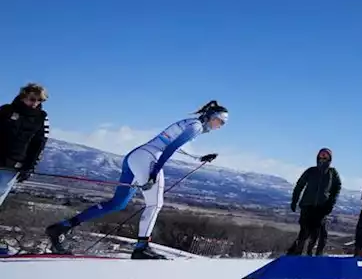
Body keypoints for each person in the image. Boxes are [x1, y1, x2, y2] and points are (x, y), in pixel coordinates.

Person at [46, 101, 226, 259]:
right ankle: (141, 248)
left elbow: (172, 144)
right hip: (148, 158)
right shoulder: (196, 127)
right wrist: (155, 170)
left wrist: (198, 158)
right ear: (211, 116)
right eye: (220, 121)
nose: (221, 126)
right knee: (155, 204)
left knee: (117, 203)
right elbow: (170, 149)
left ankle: (62, 227)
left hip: (136, 156)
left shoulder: (192, 124)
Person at [0, 83, 49, 211]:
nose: (35, 103)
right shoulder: (6, 110)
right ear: (23, 96)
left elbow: (39, 144)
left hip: (13, 165)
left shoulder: (42, 118)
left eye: (40, 100)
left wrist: (29, 167)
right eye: (33, 99)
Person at [288, 148, 342, 256]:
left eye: (325, 156)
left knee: (320, 234)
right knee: (304, 232)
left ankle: (313, 256)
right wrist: (294, 200)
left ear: (329, 159)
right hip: (307, 206)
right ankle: (294, 256)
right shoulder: (311, 171)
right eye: (321, 155)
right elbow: (300, 185)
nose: (322, 158)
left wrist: (330, 203)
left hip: (321, 208)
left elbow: (337, 188)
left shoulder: (332, 173)